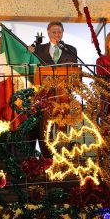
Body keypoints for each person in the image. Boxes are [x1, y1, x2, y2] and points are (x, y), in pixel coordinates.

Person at [29, 21, 78, 157]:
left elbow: (75, 71)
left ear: (62, 33)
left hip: (63, 94)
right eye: (54, 32)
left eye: (59, 32)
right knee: (46, 125)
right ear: (48, 33)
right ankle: (47, 156)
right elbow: (32, 66)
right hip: (46, 94)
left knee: (62, 124)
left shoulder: (71, 49)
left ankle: (63, 155)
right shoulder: (39, 49)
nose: (57, 34)